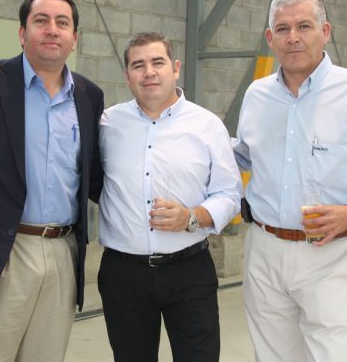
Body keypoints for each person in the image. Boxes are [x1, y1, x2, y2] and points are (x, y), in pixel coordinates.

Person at [233, 0, 347, 362]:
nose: (293, 37)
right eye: (282, 29)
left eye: (304, 26)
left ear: (325, 31)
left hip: (330, 252)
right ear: (270, 38)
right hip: (264, 247)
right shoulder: (257, 95)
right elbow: (243, 157)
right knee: (271, 355)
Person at [0, 0, 104, 362]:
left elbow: (96, 172)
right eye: (41, 21)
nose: (52, 29)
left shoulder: (88, 95)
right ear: (22, 32)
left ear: (74, 38)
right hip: (5, 251)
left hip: (64, 248)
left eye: (62, 23)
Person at [97, 32, 242, 362]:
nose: (148, 72)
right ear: (127, 75)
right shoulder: (108, 124)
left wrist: (191, 217)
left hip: (188, 270)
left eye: (157, 62)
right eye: (138, 65)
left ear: (175, 68)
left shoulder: (207, 125)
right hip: (124, 275)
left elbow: (230, 193)